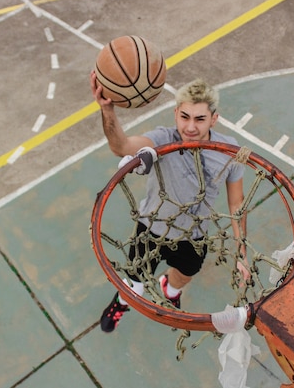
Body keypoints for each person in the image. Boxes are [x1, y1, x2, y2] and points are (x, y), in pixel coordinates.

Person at [90, 71, 249, 333]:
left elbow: (236, 203)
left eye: (200, 119)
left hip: (194, 235)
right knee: (136, 281)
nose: (190, 127)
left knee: (184, 275)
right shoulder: (163, 139)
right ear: (176, 113)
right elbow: (122, 146)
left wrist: (241, 252)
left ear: (214, 119)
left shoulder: (230, 151)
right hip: (151, 229)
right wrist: (108, 111)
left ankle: (169, 288)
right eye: (184, 117)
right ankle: (122, 302)